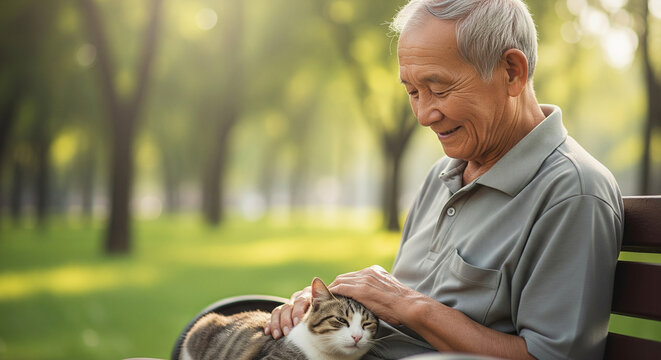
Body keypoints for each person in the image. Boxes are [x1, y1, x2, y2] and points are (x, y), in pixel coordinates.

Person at [265, 0, 624, 359]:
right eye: (412, 92)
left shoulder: (574, 193)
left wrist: (411, 305)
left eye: (438, 89)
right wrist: (321, 308)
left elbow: (552, 356)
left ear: (511, 72)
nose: (423, 114)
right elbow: (393, 315)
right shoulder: (440, 175)